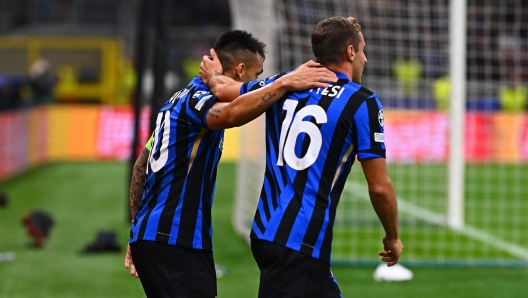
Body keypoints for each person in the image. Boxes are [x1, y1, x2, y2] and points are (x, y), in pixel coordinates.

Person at [124, 29, 337, 298]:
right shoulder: (198, 98)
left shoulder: (174, 101)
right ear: (240, 69)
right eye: (256, 74)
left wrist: (138, 230)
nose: (255, 81)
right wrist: (284, 84)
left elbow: (140, 165)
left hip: (154, 238)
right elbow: (232, 114)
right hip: (176, 240)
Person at [200, 16, 403, 297]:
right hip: (300, 238)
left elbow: (223, 89)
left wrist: (211, 75)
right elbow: (380, 186)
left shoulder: (284, 85)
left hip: (266, 231)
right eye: (363, 50)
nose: (365, 60)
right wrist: (393, 236)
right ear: (350, 52)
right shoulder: (361, 101)